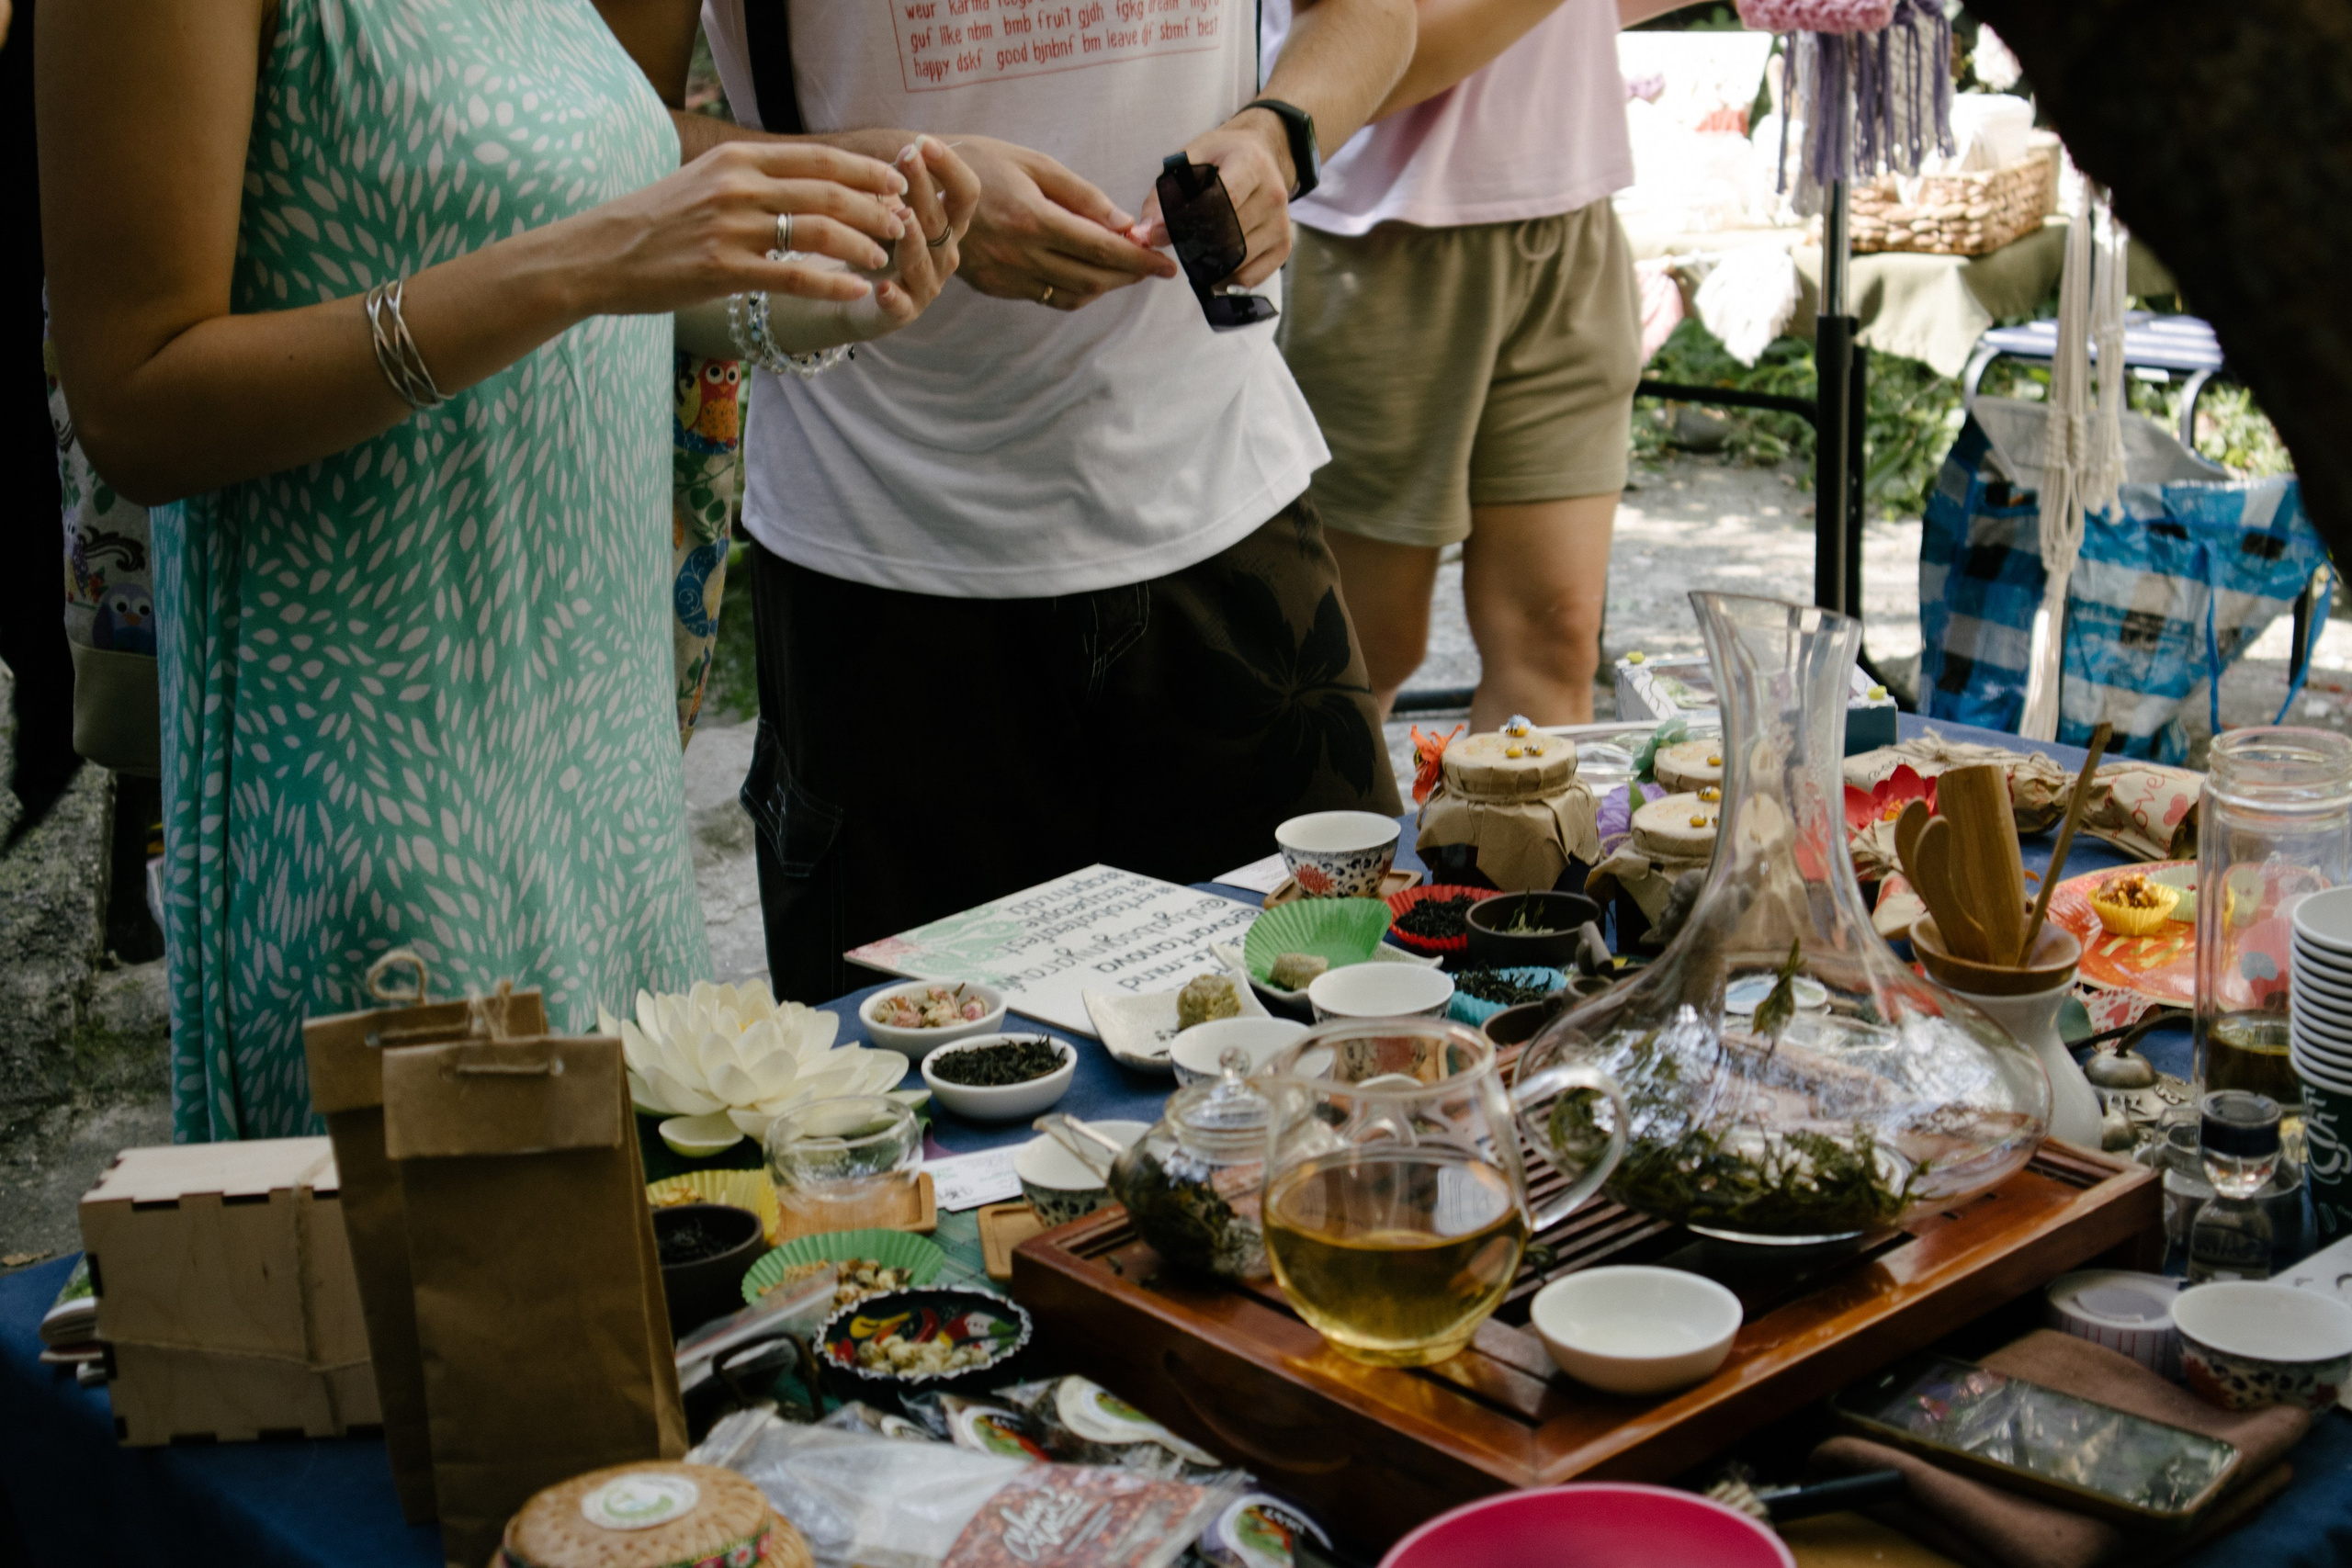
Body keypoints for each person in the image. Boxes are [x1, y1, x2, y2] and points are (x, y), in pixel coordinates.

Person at [37, 0, 974, 1140]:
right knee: (450, 1289)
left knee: (630, 1285)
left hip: (604, 798)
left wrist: (834, 290)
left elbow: (585, 261)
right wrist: (585, 260)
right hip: (386, 810)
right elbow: (137, 402)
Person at [608, 0, 1417, 1000]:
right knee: (922, 1120)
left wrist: (1279, 131)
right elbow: (599, 129)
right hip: (887, 558)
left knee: (1343, 1059)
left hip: (1227, 507)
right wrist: (892, 181)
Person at [1269, 0, 1681, 729]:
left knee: (1555, 635)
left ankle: (1524, 845)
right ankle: (1328, 848)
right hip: (1377, 240)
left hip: (1568, 215)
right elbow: (1349, 64)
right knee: (1355, 655)